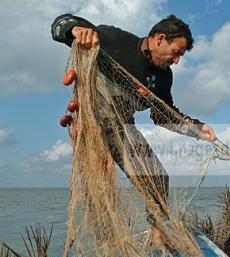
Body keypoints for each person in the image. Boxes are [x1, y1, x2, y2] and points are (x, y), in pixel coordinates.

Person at [51, 14, 216, 223]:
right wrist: (75, 30)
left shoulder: (164, 77)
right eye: (176, 53)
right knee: (101, 189)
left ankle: (159, 233)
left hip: (123, 129)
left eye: (180, 56)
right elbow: (59, 24)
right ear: (160, 39)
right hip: (90, 125)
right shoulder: (115, 40)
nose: (176, 61)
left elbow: (163, 114)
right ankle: (108, 245)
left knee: (157, 178)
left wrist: (197, 129)